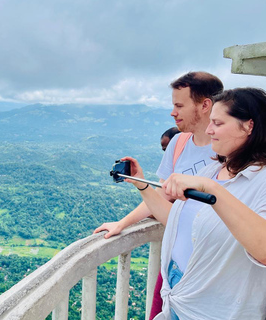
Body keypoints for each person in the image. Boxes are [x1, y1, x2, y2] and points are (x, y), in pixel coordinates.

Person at [123, 88, 266, 319]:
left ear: (249, 126)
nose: (209, 130)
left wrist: (212, 188)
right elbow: (179, 222)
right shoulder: (214, 169)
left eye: (217, 123)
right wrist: (143, 185)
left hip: (216, 308)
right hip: (178, 291)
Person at [94, 72, 223, 319]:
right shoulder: (179, 144)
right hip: (175, 260)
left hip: (209, 269)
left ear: (205, 104)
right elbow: (161, 196)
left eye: (179, 105)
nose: (173, 113)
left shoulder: (226, 151)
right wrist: (122, 223)